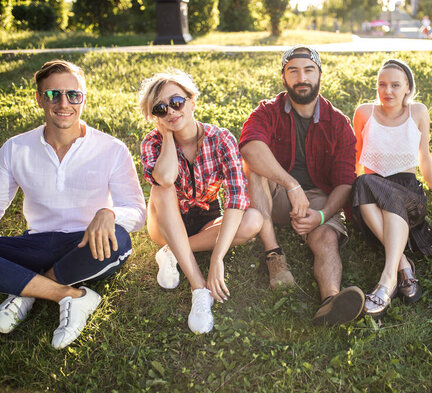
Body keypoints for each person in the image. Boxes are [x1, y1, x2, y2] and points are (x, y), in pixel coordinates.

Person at [0, 60, 146, 349]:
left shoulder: (111, 149)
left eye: (73, 95)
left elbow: (138, 213)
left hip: (89, 245)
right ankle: (71, 296)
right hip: (37, 243)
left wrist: (109, 212)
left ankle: (26, 289)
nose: (64, 103)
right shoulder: (16, 148)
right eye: (54, 94)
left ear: (84, 99)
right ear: (39, 99)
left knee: (118, 237)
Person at [239, 45, 365, 325]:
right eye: (293, 71)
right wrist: (291, 184)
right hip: (275, 195)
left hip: (318, 199)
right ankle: (274, 255)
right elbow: (249, 148)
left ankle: (330, 301)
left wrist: (321, 215)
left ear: (319, 75)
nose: (301, 77)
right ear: (284, 78)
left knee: (326, 238)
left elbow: (345, 182)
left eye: (308, 70)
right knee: (255, 169)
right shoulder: (268, 111)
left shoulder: (339, 123)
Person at [139, 70, 262, 335]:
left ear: (192, 101)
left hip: (207, 217)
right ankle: (198, 288)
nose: (171, 111)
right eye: (160, 109)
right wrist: (168, 136)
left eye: (177, 102)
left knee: (253, 220)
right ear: (154, 117)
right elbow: (164, 177)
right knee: (162, 188)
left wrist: (218, 257)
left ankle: (172, 252)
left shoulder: (221, 139)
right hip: (166, 222)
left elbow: (237, 198)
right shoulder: (152, 141)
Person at [352, 60, 432, 318]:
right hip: (372, 195)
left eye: (395, 85)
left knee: (369, 186)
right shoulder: (364, 113)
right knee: (362, 183)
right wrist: (347, 190)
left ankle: (388, 279)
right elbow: (355, 155)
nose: (388, 91)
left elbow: (425, 155)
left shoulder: (417, 112)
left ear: (408, 87)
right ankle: (404, 266)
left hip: (408, 194)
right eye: (382, 85)